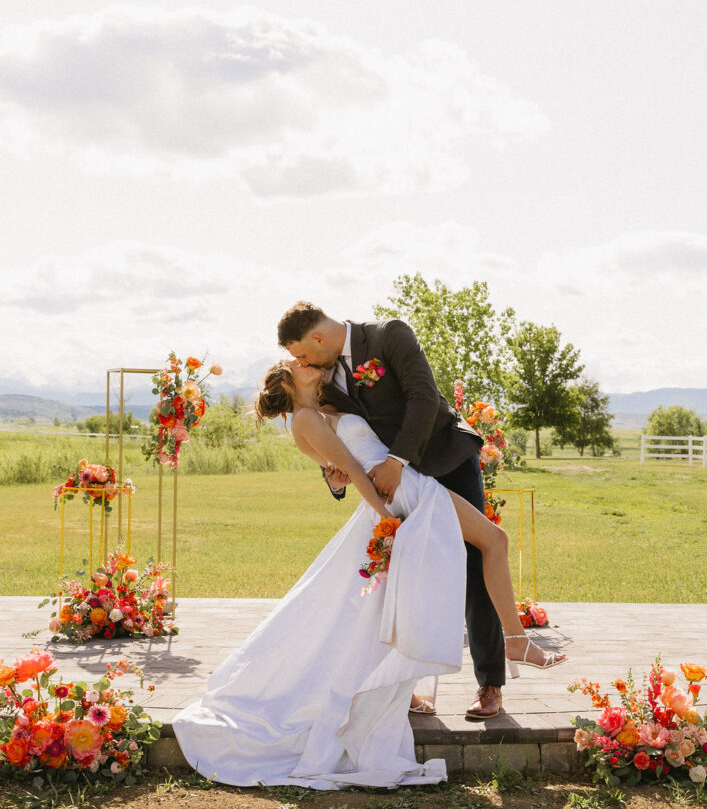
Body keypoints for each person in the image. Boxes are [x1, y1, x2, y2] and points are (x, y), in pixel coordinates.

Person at [172, 359, 565, 791]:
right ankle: (515, 642)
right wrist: (391, 520)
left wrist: (366, 488)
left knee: (409, 591)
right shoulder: (306, 419)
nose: (309, 364)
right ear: (288, 381)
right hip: (403, 498)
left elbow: (351, 462)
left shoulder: (324, 409)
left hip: (404, 490)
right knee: (493, 542)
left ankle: (488, 652)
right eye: (298, 364)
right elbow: (355, 473)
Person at [278, 302, 523, 719]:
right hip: (399, 491)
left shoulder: (389, 334)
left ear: (317, 339)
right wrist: (335, 478)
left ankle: (490, 684)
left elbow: (425, 398)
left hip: (444, 460)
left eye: (300, 354)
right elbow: (336, 439)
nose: (299, 363)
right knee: (396, 575)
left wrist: (397, 462)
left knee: (474, 559)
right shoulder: (326, 377)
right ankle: (397, 686)